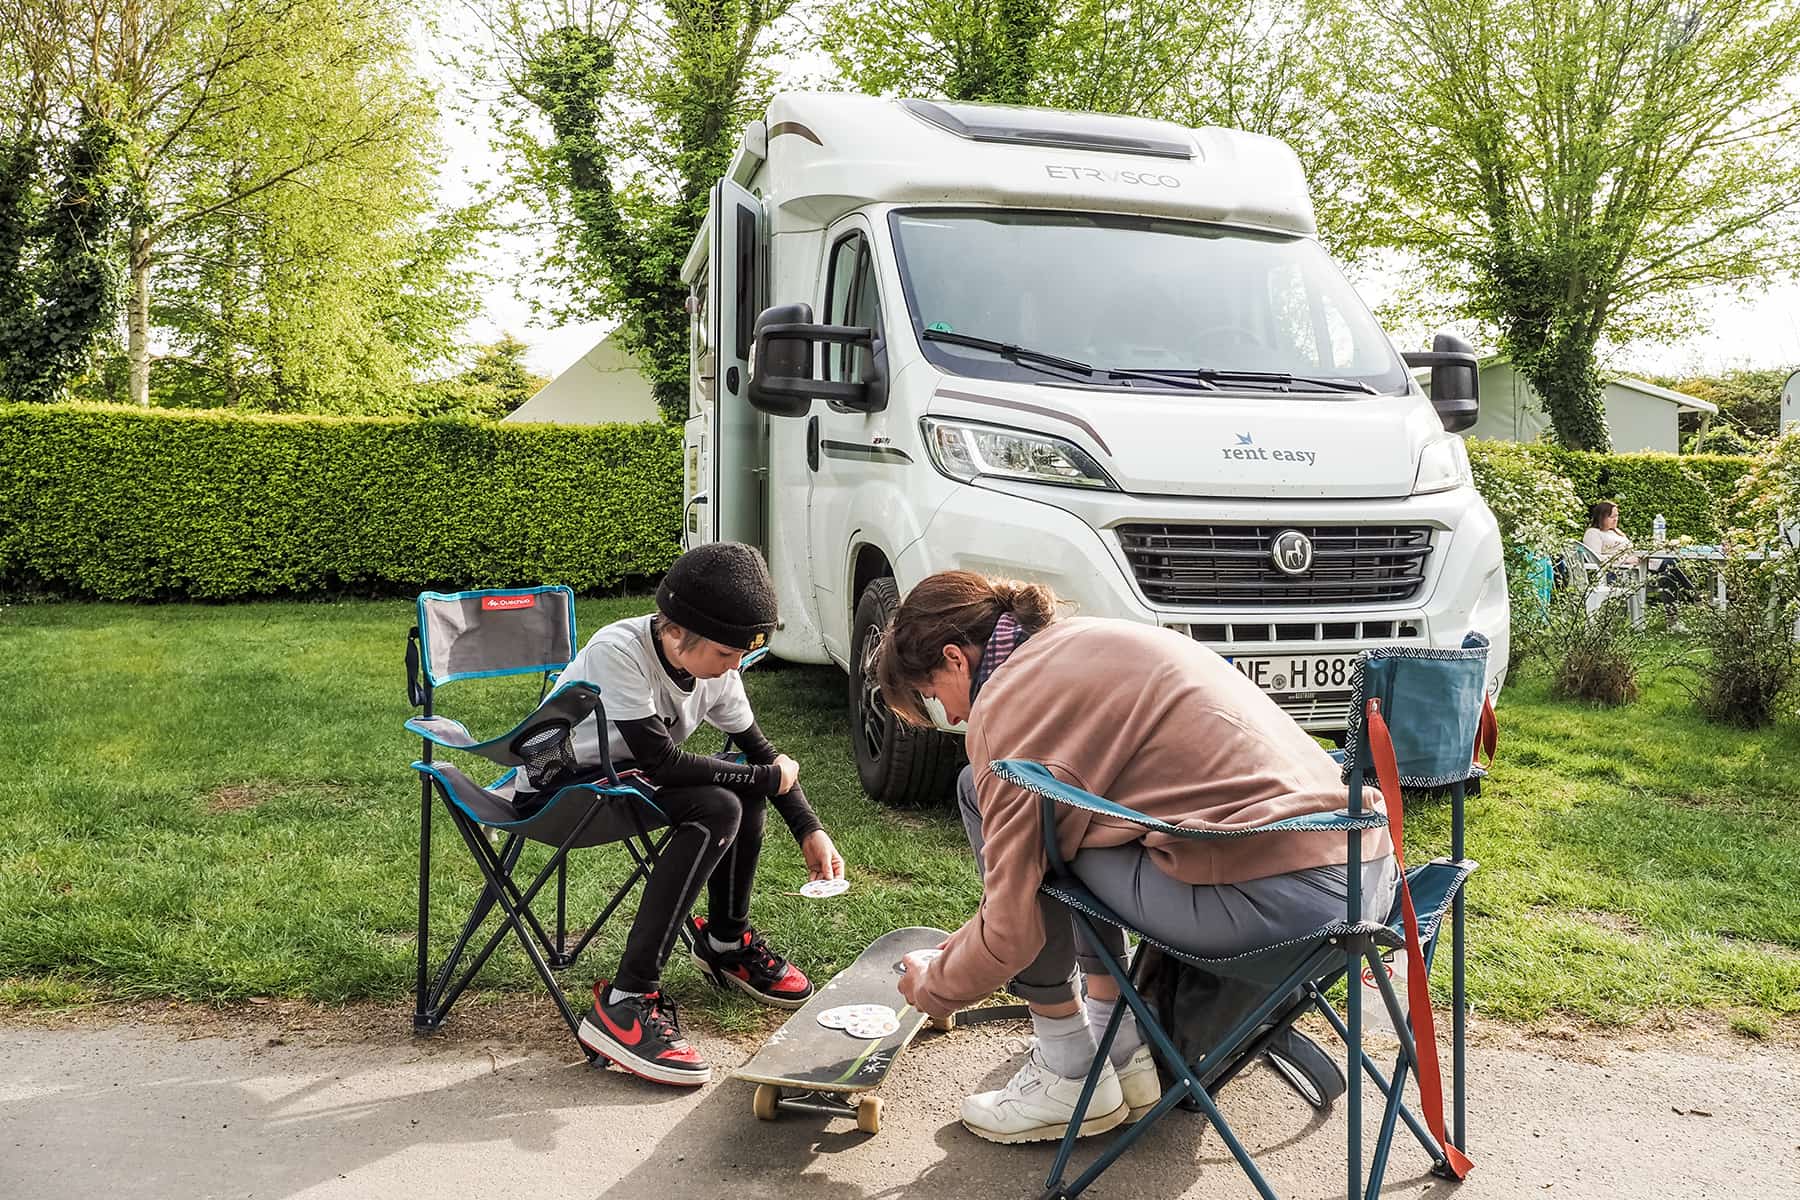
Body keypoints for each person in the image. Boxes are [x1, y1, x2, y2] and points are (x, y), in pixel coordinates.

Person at [875, 572, 1398, 1144]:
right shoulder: (1089, 639)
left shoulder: (1007, 702)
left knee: (1011, 815)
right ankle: (1120, 1045)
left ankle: (1068, 1068)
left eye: (932, 698)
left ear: (954, 658)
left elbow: (1010, 934)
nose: (951, 717)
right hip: (1369, 881)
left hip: (1276, 905)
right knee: (1063, 820)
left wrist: (935, 986)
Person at [559, 542, 846, 1087]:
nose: (735, 664)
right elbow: (662, 761)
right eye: (725, 652)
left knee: (739, 790)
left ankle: (725, 940)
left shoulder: (716, 668)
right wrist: (763, 776)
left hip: (632, 784)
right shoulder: (617, 650)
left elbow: (761, 754)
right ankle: (626, 999)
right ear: (675, 633)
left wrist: (810, 828)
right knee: (719, 800)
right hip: (566, 788)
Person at [1582, 501, 1697, 616]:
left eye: (1617, 516)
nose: (1616, 519)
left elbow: (1630, 551)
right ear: (1601, 516)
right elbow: (1596, 559)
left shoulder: (1616, 532)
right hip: (1616, 574)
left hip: (1636, 568)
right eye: (1612, 516)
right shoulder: (1593, 533)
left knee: (1668, 570)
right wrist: (1624, 559)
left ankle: (1676, 614)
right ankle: (1694, 597)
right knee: (1668, 568)